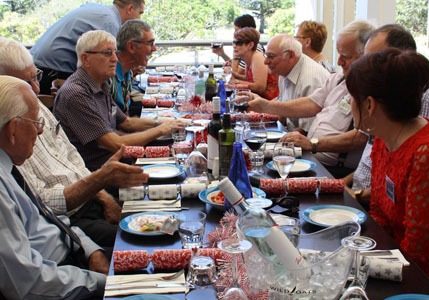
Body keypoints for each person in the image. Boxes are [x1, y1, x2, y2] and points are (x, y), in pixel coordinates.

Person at [0, 37, 149, 247]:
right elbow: (42, 205)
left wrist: (104, 196)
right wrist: (101, 180)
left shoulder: (38, 107)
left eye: (36, 77)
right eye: (26, 82)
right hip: (69, 220)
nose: (35, 89)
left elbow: (74, 160)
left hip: (93, 196)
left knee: (161, 211)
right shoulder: (10, 133)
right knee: (144, 240)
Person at [0, 75, 107, 299]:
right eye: (36, 123)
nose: (40, 132)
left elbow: (49, 217)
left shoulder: (10, 165)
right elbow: (28, 283)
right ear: (12, 130)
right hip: (60, 281)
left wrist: (88, 248)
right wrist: (102, 283)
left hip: (73, 257)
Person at [243, 20, 375, 177]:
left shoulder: (370, 90)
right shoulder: (339, 78)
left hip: (333, 169)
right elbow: (311, 103)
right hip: (312, 156)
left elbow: (361, 137)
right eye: (338, 54)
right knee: (252, 163)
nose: (339, 62)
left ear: (367, 55)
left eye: (345, 56)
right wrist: (264, 106)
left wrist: (312, 143)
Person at [346, 48, 429, 276]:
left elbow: (417, 252)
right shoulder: (383, 139)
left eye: (352, 98)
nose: (349, 104)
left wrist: (358, 265)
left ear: (369, 105)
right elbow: (379, 212)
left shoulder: (423, 153)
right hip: (389, 261)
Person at [53, 30, 184, 171]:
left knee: (179, 151)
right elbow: (116, 144)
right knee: (182, 170)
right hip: (100, 174)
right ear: (86, 59)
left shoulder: (100, 83)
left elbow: (127, 123)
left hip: (120, 161)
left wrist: (163, 123)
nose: (115, 59)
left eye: (115, 52)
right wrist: (161, 130)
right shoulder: (76, 94)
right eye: (108, 53)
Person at [31, 0, 145, 94]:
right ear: (130, 9)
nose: (139, 19)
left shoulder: (98, 9)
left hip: (38, 65)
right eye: (140, 13)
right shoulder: (110, 23)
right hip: (50, 74)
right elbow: (107, 67)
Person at [264, 34, 329, 132]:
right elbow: (283, 110)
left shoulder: (311, 79)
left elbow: (308, 131)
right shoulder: (284, 71)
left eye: (271, 56)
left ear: (290, 55)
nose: (265, 61)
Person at [112, 19, 156, 114]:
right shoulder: (108, 78)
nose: (154, 48)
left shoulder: (128, 72)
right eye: (150, 43)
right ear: (131, 47)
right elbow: (116, 123)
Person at [230, 27, 279, 100]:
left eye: (239, 43)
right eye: (234, 42)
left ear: (250, 45)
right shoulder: (248, 57)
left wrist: (237, 82)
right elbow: (250, 79)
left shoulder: (257, 57)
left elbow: (260, 87)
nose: (234, 46)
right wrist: (234, 75)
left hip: (270, 103)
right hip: (260, 101)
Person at [211, 14, 264, 79]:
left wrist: (230, 71)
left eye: (236, 30)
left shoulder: (255, 49)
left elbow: (238, 73)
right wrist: (222, 54)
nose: (234, 33)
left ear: (246, 31)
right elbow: (237, 68)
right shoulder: (247, 47)